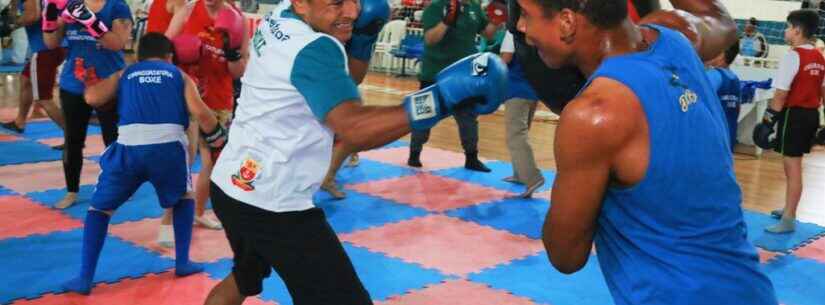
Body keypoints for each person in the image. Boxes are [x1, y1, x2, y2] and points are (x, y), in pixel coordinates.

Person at [202, 0, 508, 302]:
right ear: (302, 3)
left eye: (355, 0)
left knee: (245, 277)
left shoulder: (281, 16)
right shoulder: (314, 48)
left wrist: (360, 41)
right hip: (273, 204)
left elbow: (342, 81)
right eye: (337, 3)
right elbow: (353, 128)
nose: (352, 11)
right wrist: (441, 99)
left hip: (232, 186)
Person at [516, 0, 778, 304]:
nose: (521, 27)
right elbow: (719, 18)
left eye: (525, 14)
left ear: (567, 22)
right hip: (749, 288)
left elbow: (565, 256)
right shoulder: (677, 36)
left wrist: (583, 182)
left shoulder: (594, 114)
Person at [61, 33, 227, 295]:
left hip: (128, 149)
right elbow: (201, 113)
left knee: (100, 209)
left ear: (138, 56)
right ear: (169, 56)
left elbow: (92, 99)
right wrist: (220, 139)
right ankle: (182, 262)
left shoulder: (125, 72)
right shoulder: (178, 75)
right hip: (167, 151)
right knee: (184, 196)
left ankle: (84, 277)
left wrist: (91, 82)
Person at [158, 0, 249, 245]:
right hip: (186, 95)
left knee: (211, 163)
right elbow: (160, 51)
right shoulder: (187, 11)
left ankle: (197, 214)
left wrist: (232, 52)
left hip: (219, 100)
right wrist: (178, 53)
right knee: (183, 156)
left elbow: (240, 71)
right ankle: (167, 221)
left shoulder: (238, 18)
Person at [42, 0, 132, 209]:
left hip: (109, 82)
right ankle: (72, 191)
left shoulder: (117, 6)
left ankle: (118, 187)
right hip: (73, 83)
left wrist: (90, 20)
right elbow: (50, 43)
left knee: (113, 138)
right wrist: (49, 16)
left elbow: (117, 43)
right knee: (73, 139)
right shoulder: (69, 5)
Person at [406, 0, 500, 171]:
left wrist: (498, 17)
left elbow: (489, 34)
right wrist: (447, 21)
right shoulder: (436, 7)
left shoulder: (474, 8)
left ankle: (471, 158)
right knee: (424, 116)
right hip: (435, 74)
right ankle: (414, 153)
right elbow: (430, 39)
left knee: (468, 118)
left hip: (464, 76)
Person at [762, 9, 825, 234]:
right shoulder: (819, 56)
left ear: (797, 30)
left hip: (794, 115)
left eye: (788, 27)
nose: (785, 31)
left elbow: (780, 95)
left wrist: (767, 122)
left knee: (793, 166)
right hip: (811, 115)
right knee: (794, 164)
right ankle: (789, 208)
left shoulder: (792, 56)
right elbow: (824, 90)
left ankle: (789, 217)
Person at [319, 0, 390, 199]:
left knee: (351, 129)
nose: (350, 10)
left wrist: (364, 38)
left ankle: (328, 175)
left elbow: (356, 78)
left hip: (341, 71)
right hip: (315, 72)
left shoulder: (363, 10)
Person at [0, 0, 67, 137]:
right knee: (26, 80)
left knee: (44, 98)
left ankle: (73, 138)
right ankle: (19, 122)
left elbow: (32, 16)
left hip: (45, 50)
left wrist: (11, 25)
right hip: (53, 47)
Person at [499, 29, 543, 198]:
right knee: (522, 132)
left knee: (515, 135)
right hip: (534, 89)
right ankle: (519, 174)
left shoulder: (513, 32)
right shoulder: (539, 30)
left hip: (517, 89)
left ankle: (532, 178)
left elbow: (505, 59)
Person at [706, 42, 741, 152]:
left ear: (721, 55)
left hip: (712, 134)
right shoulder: (735, 78)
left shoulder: (713, 75)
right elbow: (737, 109)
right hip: (729, 133)